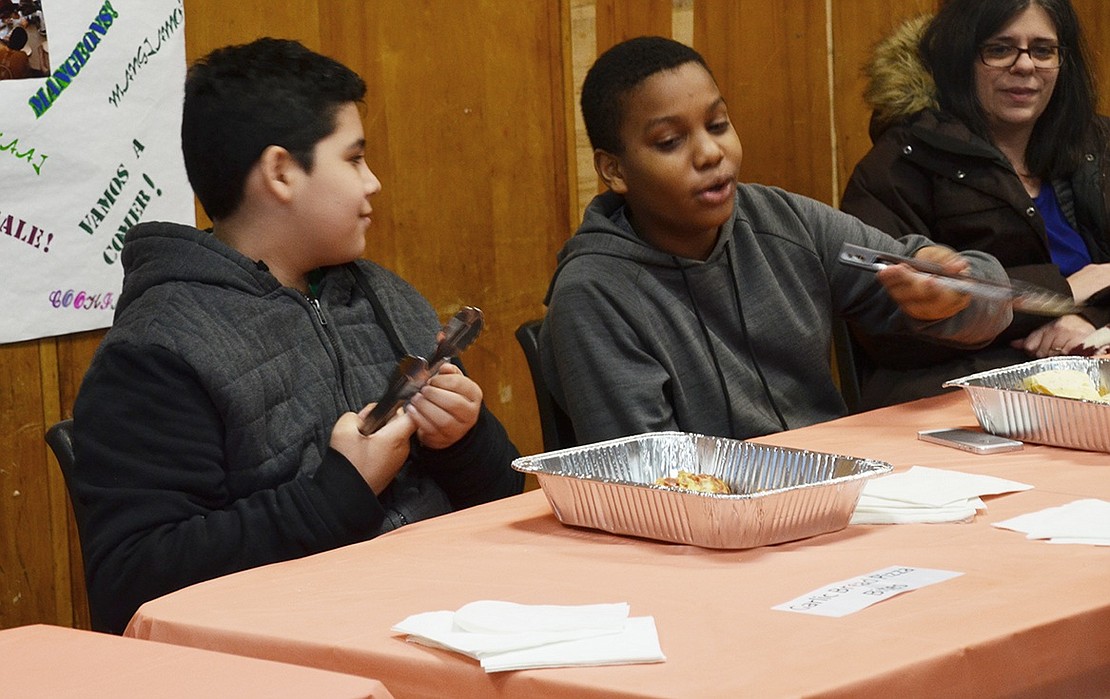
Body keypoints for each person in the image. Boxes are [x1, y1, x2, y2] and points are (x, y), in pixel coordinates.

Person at [70, 38, 523, 634]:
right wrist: (341, 490)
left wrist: (465, 440)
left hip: (454, 615)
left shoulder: (386, 297)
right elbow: (135, 583)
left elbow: (504, 499)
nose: (374, 182)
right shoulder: (157, 351)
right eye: (354, 159)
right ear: (282, 172)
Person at [538, 36, 1013, 446]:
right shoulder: (593, 293)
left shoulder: (784, 223)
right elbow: (647, 476)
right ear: (614, 170)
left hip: (842, 494)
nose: (710, 152)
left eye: (718, 124)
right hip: (711, 528)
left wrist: (950, 293)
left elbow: (989, 297)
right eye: (669, 142)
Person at [841, 0, 1110, 407]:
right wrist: (1061, 293)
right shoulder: (897, 167)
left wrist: (1091, 321)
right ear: (960, 56)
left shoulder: (1098, 145)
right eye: (1000, 49)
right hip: (954, 402)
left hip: (1090, 381)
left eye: (1043, 50)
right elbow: (890, 332)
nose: (1025, 66)